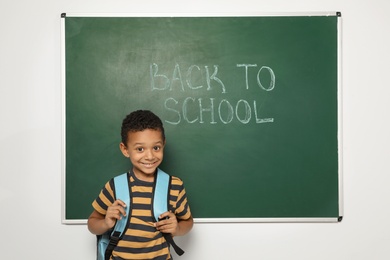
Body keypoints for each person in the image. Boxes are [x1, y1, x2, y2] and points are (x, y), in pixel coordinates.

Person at [88, 110, 193, 260]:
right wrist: (105, 223)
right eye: (140, 149)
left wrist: (177, 229)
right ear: (125, 149)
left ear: (163, 144)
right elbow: (92, 224)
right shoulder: (114, 186)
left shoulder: (174, 186)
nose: (149, 156)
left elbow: (188, 222)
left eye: (156, 148)